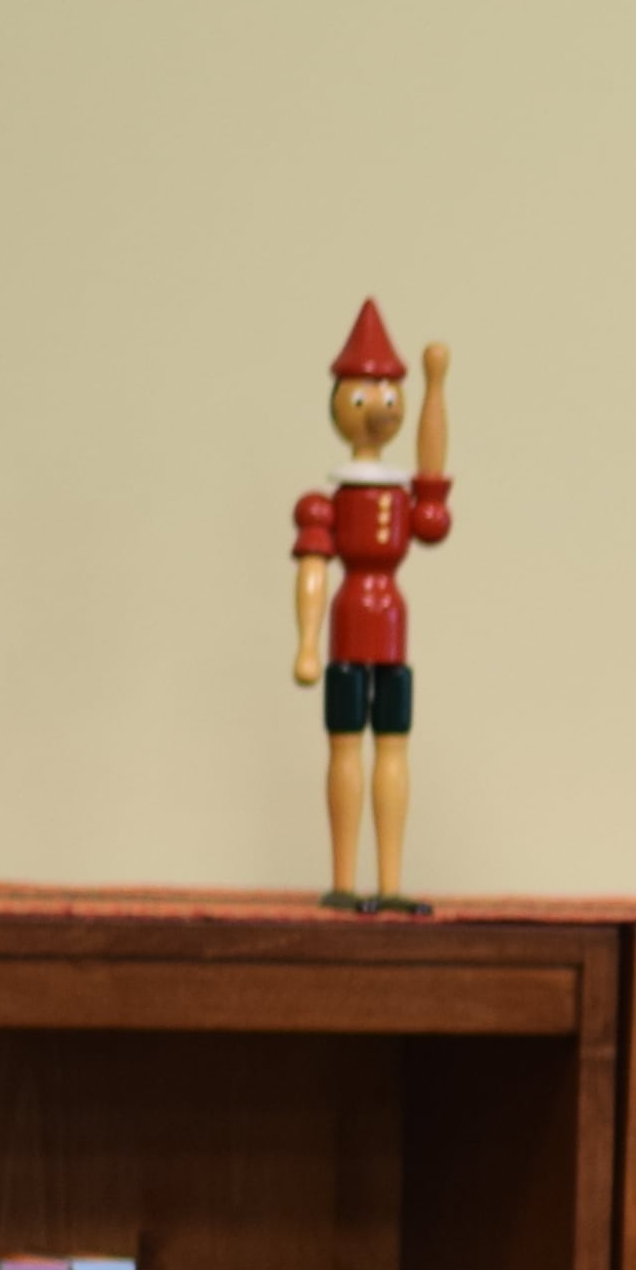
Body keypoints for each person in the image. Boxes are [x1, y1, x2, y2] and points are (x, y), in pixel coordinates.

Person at [287, 307, 455, 909]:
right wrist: (308, 644)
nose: (380, 405)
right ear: (339, 401)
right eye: (364, 394)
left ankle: (388, 883)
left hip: (390, 635)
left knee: (391, 745)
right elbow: (312, 568)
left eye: (391, 392)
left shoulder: (397, 494)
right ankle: (343, 880)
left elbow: (432, 523)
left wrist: (437, 389)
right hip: (347, 635)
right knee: (343, 745)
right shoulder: (327, 501)